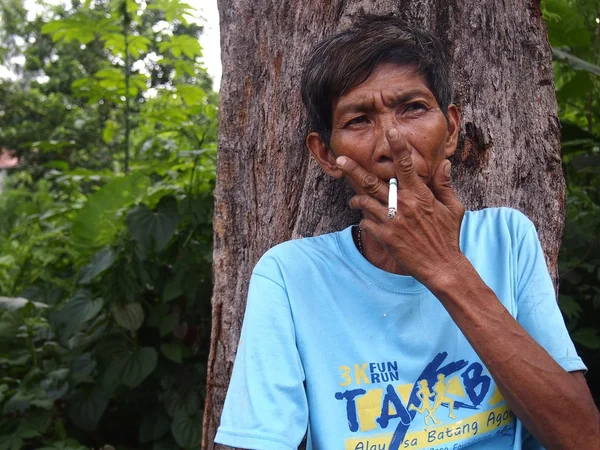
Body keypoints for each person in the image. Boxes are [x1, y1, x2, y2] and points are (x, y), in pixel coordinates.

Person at [214, 15, 599, 450]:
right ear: (325, 154)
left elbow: (581, 438)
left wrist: (446, 268)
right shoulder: (290, 275)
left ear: (451, 130)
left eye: (413, 108)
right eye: (359, 119)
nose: (392, 140)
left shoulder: (506, 238)